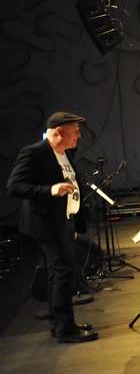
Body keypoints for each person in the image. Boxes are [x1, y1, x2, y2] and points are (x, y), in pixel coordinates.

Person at [6, 112, 98, 344]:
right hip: (46, 224)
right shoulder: (34, 152)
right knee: (64, 271)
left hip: (63, 222)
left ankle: (59, 324)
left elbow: (73, 187)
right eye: (75, 130)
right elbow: (14, 186)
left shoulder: (64, 153)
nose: (79, 135)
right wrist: (49, 190)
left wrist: (73, 222)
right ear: (59, 131)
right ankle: (65, 329)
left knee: (58, 272)